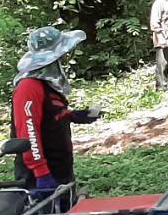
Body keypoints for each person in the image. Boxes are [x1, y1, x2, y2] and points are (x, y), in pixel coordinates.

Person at [10, 27, 101, 192]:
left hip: (60, 167)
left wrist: (73, 115)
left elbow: (49, 114)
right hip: (40, 176)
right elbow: (28, 131)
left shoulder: (47, 83)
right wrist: (41, 172)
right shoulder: (29, 86)